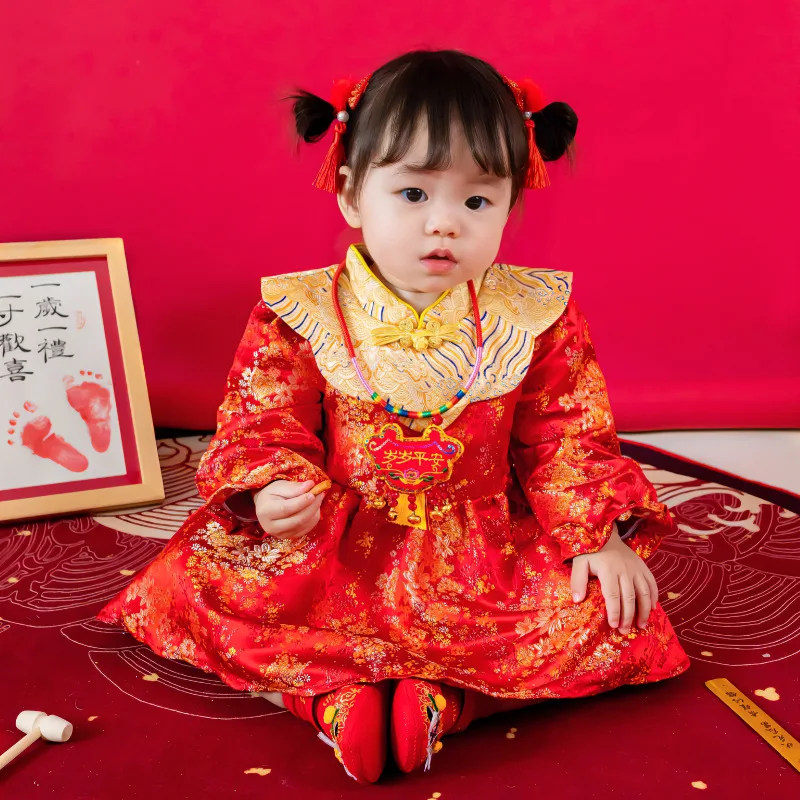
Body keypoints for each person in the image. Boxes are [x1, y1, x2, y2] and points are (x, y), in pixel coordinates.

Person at [98, 49, 690, 784]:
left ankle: (448, 704)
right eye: (413, 194)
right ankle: (328, 702)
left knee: (610, 610)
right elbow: (262, 410)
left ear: (511, 204)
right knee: (193, 583)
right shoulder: (302, 308)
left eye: (477, 202)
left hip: (483, 541)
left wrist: (595, 532)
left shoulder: (535, 311)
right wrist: (270, 486)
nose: (445, 225)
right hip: (335, 535)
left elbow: (567, 428)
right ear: (350, 194)